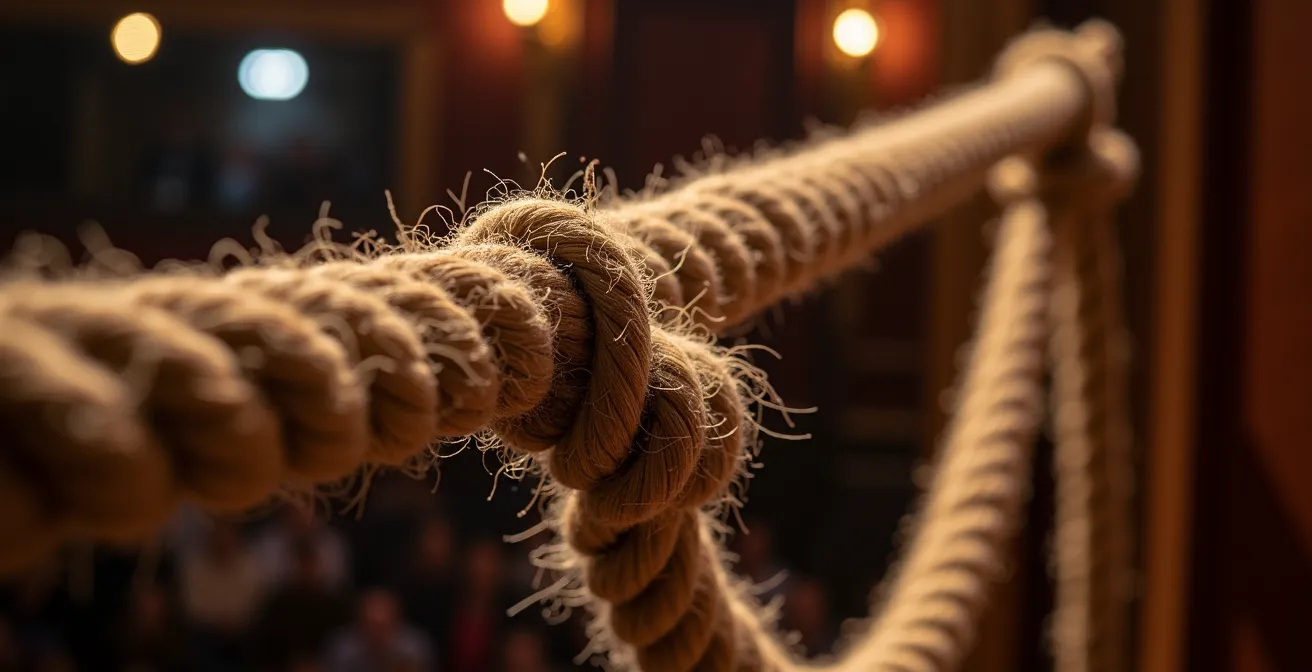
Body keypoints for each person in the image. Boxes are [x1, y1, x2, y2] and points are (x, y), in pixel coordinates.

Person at [253, 538, 353, 670]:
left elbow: (341, 644)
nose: (307, 571)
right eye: (302, 565)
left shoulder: (333, 605)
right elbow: (267, 646)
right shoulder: (280, 605)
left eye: (311, 565)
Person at [179, 519, 264, 669]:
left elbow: (257, 603)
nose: (223, 540)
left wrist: (237, 621)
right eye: (219, 534)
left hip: (244, 632)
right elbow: (193, 607)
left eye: (228, 534)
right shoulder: (196, 568)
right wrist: (219, 622)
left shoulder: (251, 566)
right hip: (208, 634)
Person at [325, 589, 433, 672]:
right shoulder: (343, 649)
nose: (377, 633)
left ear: (396, 623)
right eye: (371, 625)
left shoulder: (413, 648)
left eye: (383, 626)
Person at [254, 505, 351, 590]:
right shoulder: (268, 543)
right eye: (294, 509)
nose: (300, 514)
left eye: (306, 506)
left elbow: (339, 585)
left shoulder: (332, 543)